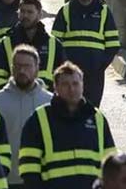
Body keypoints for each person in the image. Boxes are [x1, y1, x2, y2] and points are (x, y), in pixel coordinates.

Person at [19, 61, 116, 189]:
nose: (72, 89)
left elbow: (111, 163)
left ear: (83, 85)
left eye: (76, 83)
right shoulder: (39, 119)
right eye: (65, 84)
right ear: (56, 88)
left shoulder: (97, 117)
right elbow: (28, 166)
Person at [52, 0, 119, 106]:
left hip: (94, 73)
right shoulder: (66, 10)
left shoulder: (104, 11)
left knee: (92, 109)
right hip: (70, 72)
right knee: (68, 107)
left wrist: (100, 66)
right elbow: (55, 42)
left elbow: (113, 44)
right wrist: (63, 64)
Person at [0, 44, 53, 188]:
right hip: (7, 179)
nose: (22, 70)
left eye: (27, 66)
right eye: (17, 66)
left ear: (37, 68)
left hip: (41, 179)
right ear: (12, 68)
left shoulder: (51, 102)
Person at [0, 0, 66, 91]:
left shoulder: (54, 45)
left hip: (45, 102)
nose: (25, 16)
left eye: (30, 12)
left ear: (39, 15)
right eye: (22, 11)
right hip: (14, 101)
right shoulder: (5, 43)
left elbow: (63, 78)